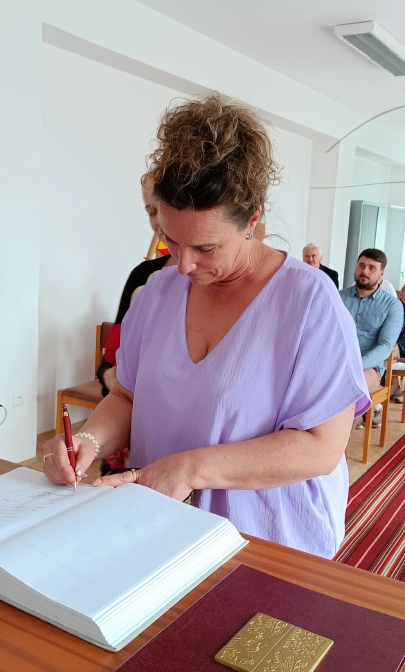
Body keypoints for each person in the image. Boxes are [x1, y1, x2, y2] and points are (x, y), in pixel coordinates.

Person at [43, 93, 370, 559]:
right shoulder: (157, 293)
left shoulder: (308, 302)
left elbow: (321, 448)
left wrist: (191, 468)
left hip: (266, 541)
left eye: (206, 248)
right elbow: (127, 396)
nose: (184, 266)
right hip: (160, 526)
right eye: (171, 242)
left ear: (252, 220)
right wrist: (88, 440)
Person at [96, 175, 176, 472]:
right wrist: (117, 386)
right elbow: (109, 361)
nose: (159, 222)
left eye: (164, 209)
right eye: (151, 211)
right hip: (130, 433)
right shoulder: (143, 276)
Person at [339, 248, 403, 426]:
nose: (365, 271)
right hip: (336, 361)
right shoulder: (338, 297)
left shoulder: (392, 305)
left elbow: (385, 346)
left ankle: (340, 442)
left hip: (369, 368)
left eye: (371, 268)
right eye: (361, 265)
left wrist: (356, 364)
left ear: (381, 274)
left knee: (349, 389)